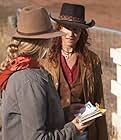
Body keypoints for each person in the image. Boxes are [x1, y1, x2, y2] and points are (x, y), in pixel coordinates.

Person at [0, 6, 93, 140]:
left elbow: (34, 117)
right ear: (45, 41)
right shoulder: (30, 81)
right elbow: (37, 137)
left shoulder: (23, 69)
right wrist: (74, 128)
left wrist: (65, 113)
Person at [41, 3, 108, 140]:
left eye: (76, 29)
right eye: (67, 28)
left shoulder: (92, 60)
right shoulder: (46, 60)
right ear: (59, 28)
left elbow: (99, 100)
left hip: (83, 132)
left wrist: (102, 136)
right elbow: (39, 102)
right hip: (55, 131)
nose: (71, 34)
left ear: (82, 32)